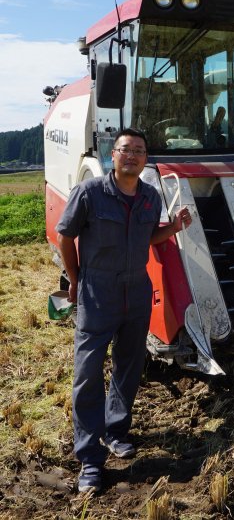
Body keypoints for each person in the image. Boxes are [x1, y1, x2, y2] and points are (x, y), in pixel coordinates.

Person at [56, 128, 192, 493]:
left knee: (129, 367)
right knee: (87, 374)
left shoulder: (149, 196)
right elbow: (65, 236)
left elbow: (147, 237)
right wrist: (74, 279)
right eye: (125, 150)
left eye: (139, 151)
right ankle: (89, 459)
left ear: (146, 158)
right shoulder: (89, 193)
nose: (132, 156)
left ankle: (116, 431)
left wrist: (174, 227)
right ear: (112, 155)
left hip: (137, 292)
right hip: (97, 292)